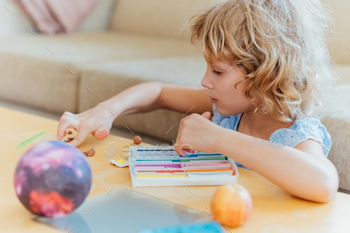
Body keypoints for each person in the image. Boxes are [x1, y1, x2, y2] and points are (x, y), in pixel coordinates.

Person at [57, 0, 339, 202]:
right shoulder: (230, 114)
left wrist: (218, 139)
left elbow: (324, 183)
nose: (205, 81)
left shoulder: (297, 135)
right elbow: (156, 92)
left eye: (217, 71)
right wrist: (106, 110)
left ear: (265, 75)